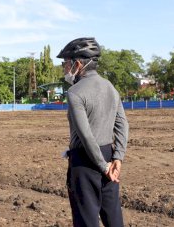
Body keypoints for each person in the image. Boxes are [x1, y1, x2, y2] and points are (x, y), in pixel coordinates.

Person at [57, 37, 129, 227]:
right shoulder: (111, 87)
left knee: (86, 220)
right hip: (109, 156)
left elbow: (85, 135)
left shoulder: (75, 93)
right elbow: (122, 125)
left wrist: (102, 166)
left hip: (85, 161)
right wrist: (117, 158)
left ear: (78, 64)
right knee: (113, 218)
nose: (64, 68)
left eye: (65, 64)